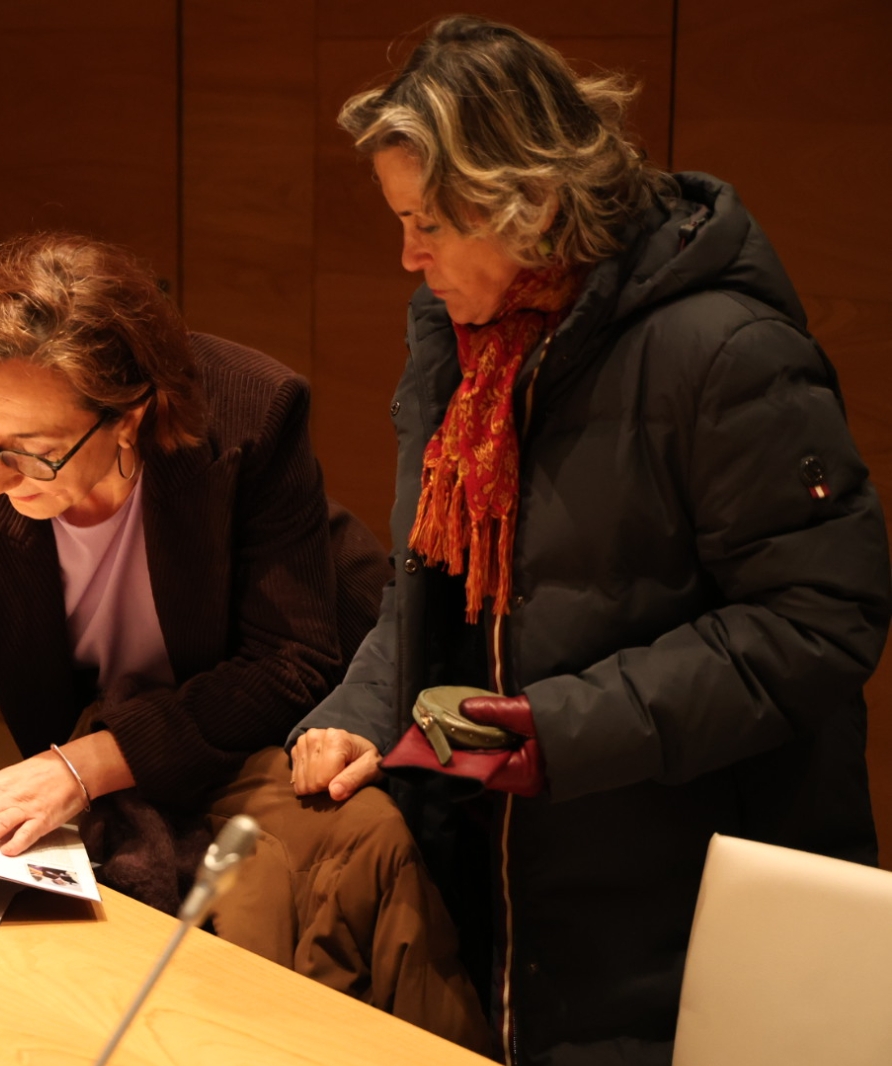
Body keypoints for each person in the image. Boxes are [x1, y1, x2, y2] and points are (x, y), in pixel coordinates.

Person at [290, 16, 891, 1066]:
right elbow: (428, 581)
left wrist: (562, 730)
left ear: (528, 201)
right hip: (514, 890)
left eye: (429, 222)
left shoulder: (724, 350)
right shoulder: (463, 344)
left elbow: (820, 622)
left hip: (683, 901)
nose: (408, 255)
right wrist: (358, 709)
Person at [0, 233, 488, 1047]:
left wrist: (82, 767)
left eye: (32, 455)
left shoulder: (248, 418)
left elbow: (287, 666)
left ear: (130, 419)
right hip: (98, 778)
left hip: (248, 746)